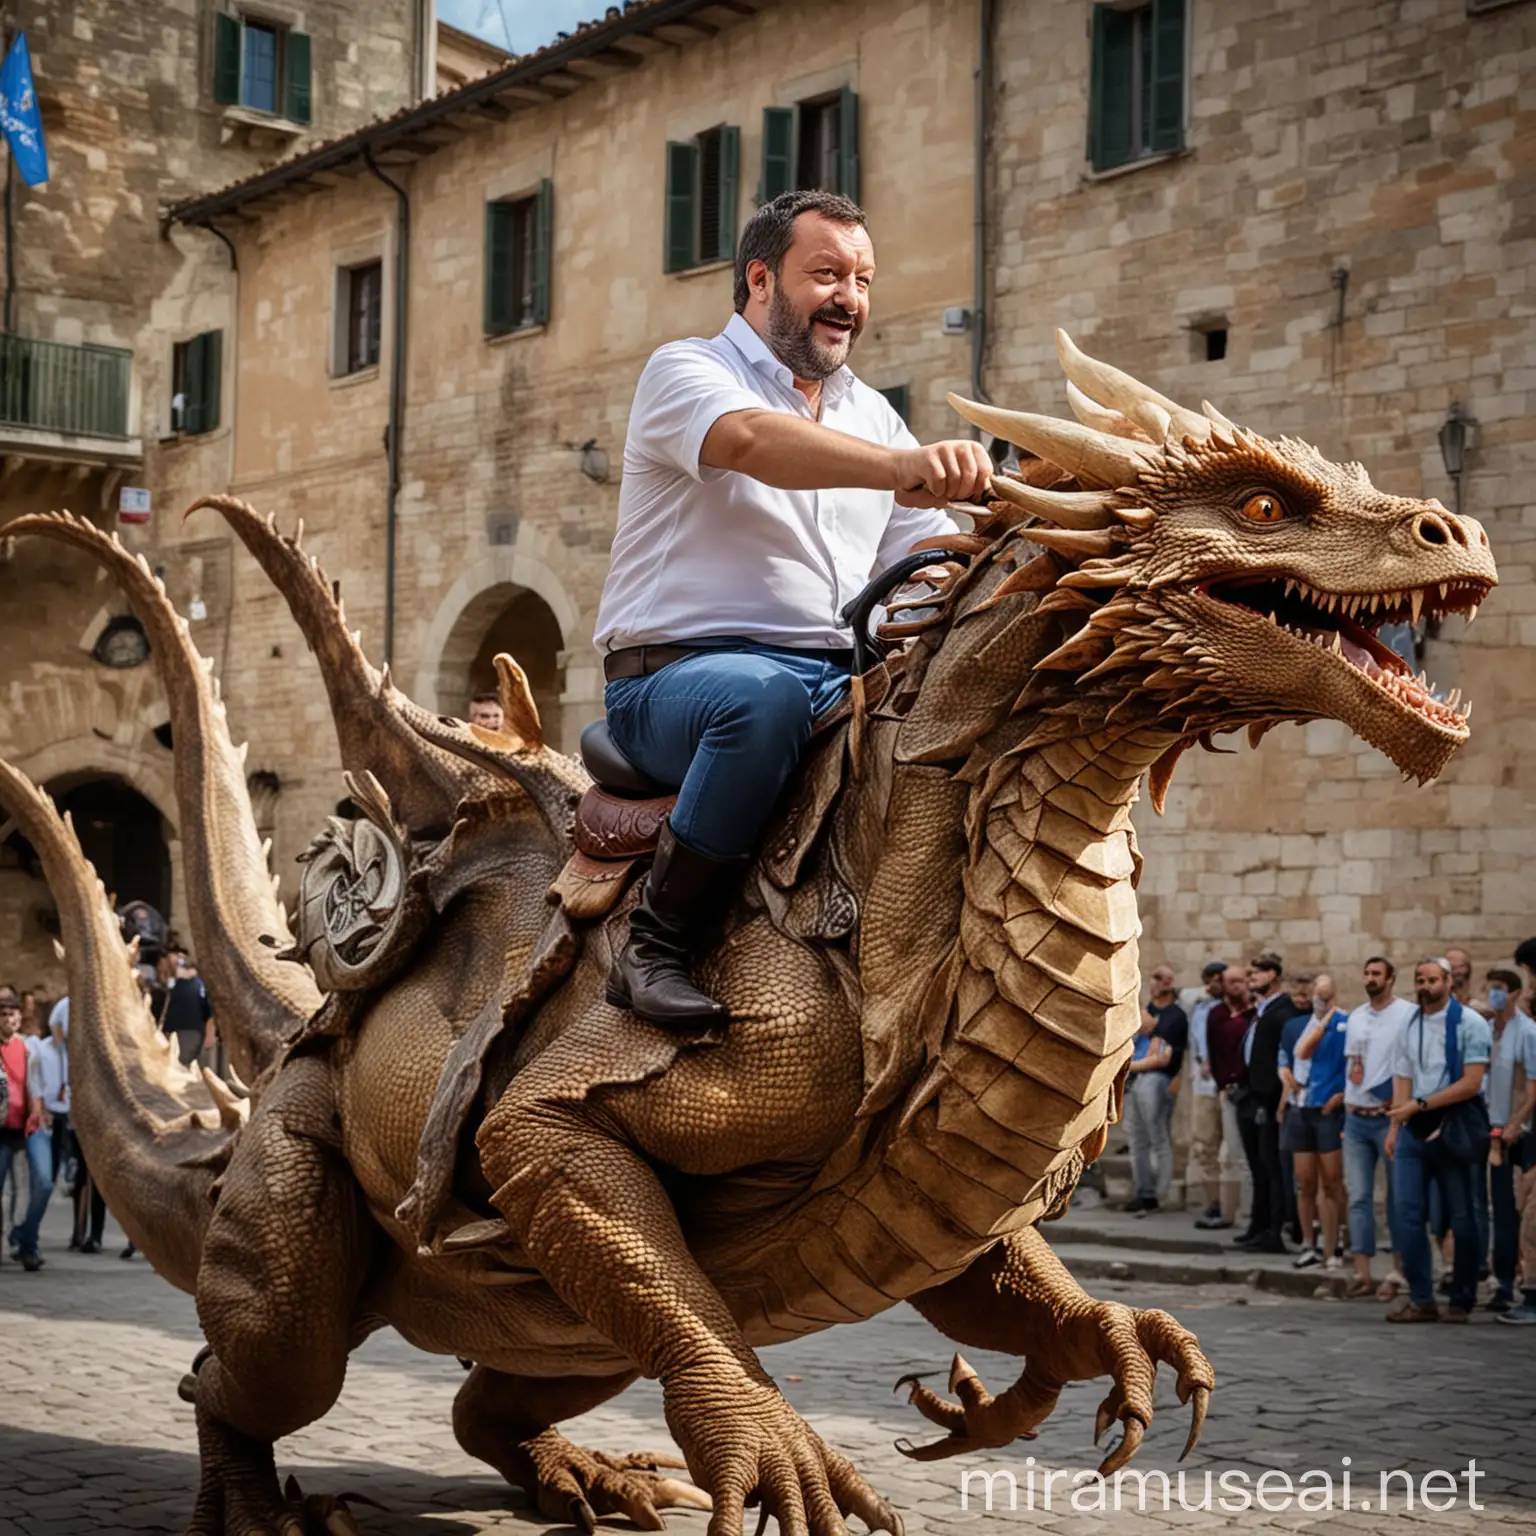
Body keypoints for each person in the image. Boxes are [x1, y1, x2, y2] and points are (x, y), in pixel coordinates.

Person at [593, 189, 990, 1029]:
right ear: (761, 279)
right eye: (827, 274)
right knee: (758, 699)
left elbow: (926, 566)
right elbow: (747, 442)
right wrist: (902, 466)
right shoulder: (687, 369)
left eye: (863, 278)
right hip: (674, 682)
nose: (851, 296)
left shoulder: (872, 416)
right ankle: (654, 948)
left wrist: (1010, 554)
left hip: (832, 681)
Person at [1385, 957, 1492, 1323]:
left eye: (1432, 979)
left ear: (1448, 982)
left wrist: (1421, 1104)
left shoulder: (1470, 1023)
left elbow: (1472, 1081)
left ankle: (1462, 1296)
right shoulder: (1409, 1024)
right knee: (1407, 1214)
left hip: (1455, 1122)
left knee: (1463, 1217)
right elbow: (1403, 1074)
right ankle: (1421, 1297)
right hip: (1414, 1125)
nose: (1425, 986)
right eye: (1420, 979)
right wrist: (1396, 1124)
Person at [1342, 956, 1415, 1299]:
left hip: (1389, 1116)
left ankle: (1399, 1271)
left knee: (1398, 1198)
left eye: (1377, 974)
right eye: (1367, 973)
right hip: (1356, 1117)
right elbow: (1353, 1064)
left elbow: (1409, 1064)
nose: (1370, 979)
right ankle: (1362, 1272)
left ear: (1390, 979)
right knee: (1358, 1197)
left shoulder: (1406, 1014)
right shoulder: (1356, 1016)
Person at [1229, 953, 1298, 1253]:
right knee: (1258, 1167)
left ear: (1274, 975)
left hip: (1268, 1101)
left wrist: (1270, 1097)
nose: (1252, 976)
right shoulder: (1261, 1011)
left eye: (1258, 971)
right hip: (1250, 1097)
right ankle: (1257, 1227)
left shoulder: (1283, 1012)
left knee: (1272, 1168)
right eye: (1251, 971)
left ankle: (1274, 1231)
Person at [1482, 967, 1536, 1313]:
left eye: (1500, 989)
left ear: (1515, 993)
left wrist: (1518, 1121)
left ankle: (1526, 1277)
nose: (1494, 995)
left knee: (1525, 1211)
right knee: (1500, 1212)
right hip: (1492, 1131)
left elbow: (1533, 1089)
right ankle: (1503, 1283)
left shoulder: (1528, 1033)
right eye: (1490, 989)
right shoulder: (1486, 1031)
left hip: (1522, 1132)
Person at [1288, 975, 1349, 1271]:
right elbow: (1296, 1054)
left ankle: (1334, 1244)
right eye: (1317, 995)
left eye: (1326, 995)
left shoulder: (1345, 1023)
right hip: (1301, 1108)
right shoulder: (1302, 1025)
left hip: (1328, 1109)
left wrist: (1344, 1094)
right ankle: (1308, 1243)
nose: (1321, 1000)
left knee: (1332, 1180)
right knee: (1306, 1180)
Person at [1122, 965, 1187, 1213]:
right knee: (1136, 1138)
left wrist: (1131, 1066)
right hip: (1136, 1080)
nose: (1160, 983)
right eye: (1157, 977)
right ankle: (1144, 1192)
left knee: (1157, 1134)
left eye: (1165, 979)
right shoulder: (1145, 1012)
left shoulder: (1174, 1016)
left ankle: (1163, 1192)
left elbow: (1162, 1056)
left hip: (1156, 1078)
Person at [11, 999, 69, 1269]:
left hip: (46, 1123)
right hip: (16, 1124)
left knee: (45, 1183)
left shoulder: (31, 1047)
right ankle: (25, 1243)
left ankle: (24, 1235)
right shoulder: (36, 1048)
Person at [1186, 960, 1233, 1229]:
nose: (1217, 982)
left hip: (1226, 1084)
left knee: (1231, 1150)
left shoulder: (1234, 1010)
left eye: (1221, 978)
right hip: (1203, 1086)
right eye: (1212, 978)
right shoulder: (1199, 1008)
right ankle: (1213, 1203)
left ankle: (1233, 1206)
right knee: (1204, 1146)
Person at [0, 987, 44, 1269]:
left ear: (19, 1017)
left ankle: (23, 1239)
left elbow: (36, 1083)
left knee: (27, 1188)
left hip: (24, 1127)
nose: (8, 1019)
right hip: (1, 1128)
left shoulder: (28, 1048)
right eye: (2, 1014)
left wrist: (38, 1109)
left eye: (12, 1014)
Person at [1276, 969, 1317, 1243]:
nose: (1301, 998)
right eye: (1297, 993)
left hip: (1318, 1102)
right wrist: (1282, 1104)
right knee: (1295, 1174)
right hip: (1294, 1102)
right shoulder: (1288, 1025)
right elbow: (1286, 1067)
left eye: (1307, 993)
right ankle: (1299, 1225)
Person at [160, 948, 213, 1067]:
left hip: (189, 1032)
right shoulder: (174, 983)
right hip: (172, 1030)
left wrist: (209, 1035)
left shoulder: (198, 984)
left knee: (181, 1064)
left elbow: (207, 1011)